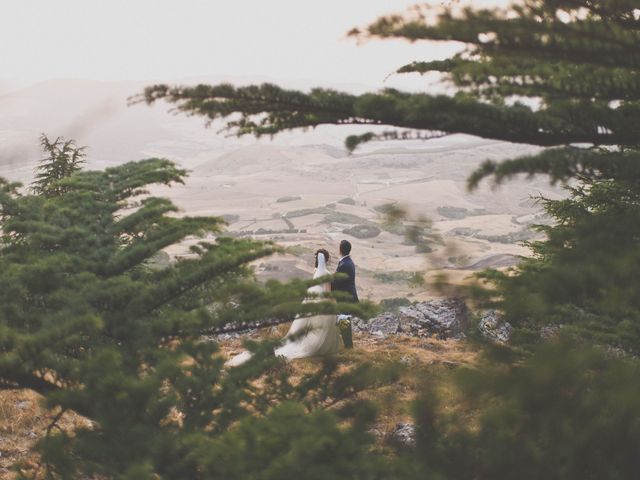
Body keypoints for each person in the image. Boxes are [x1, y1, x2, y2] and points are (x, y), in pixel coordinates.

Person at [226, 249, 340, 366]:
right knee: (323, 327)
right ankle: (322, 347)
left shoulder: (316, 271)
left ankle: (313, 345)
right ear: (327, 259)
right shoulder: (327, 274)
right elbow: (328, 292)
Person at [331, 240, 358, 348]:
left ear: (340, 249)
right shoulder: (347, 261)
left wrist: (327, 285)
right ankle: (347, 344)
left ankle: (348, 346)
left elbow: (337, 282)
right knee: (344, 320)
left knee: (344, 320)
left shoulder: (344, 264)